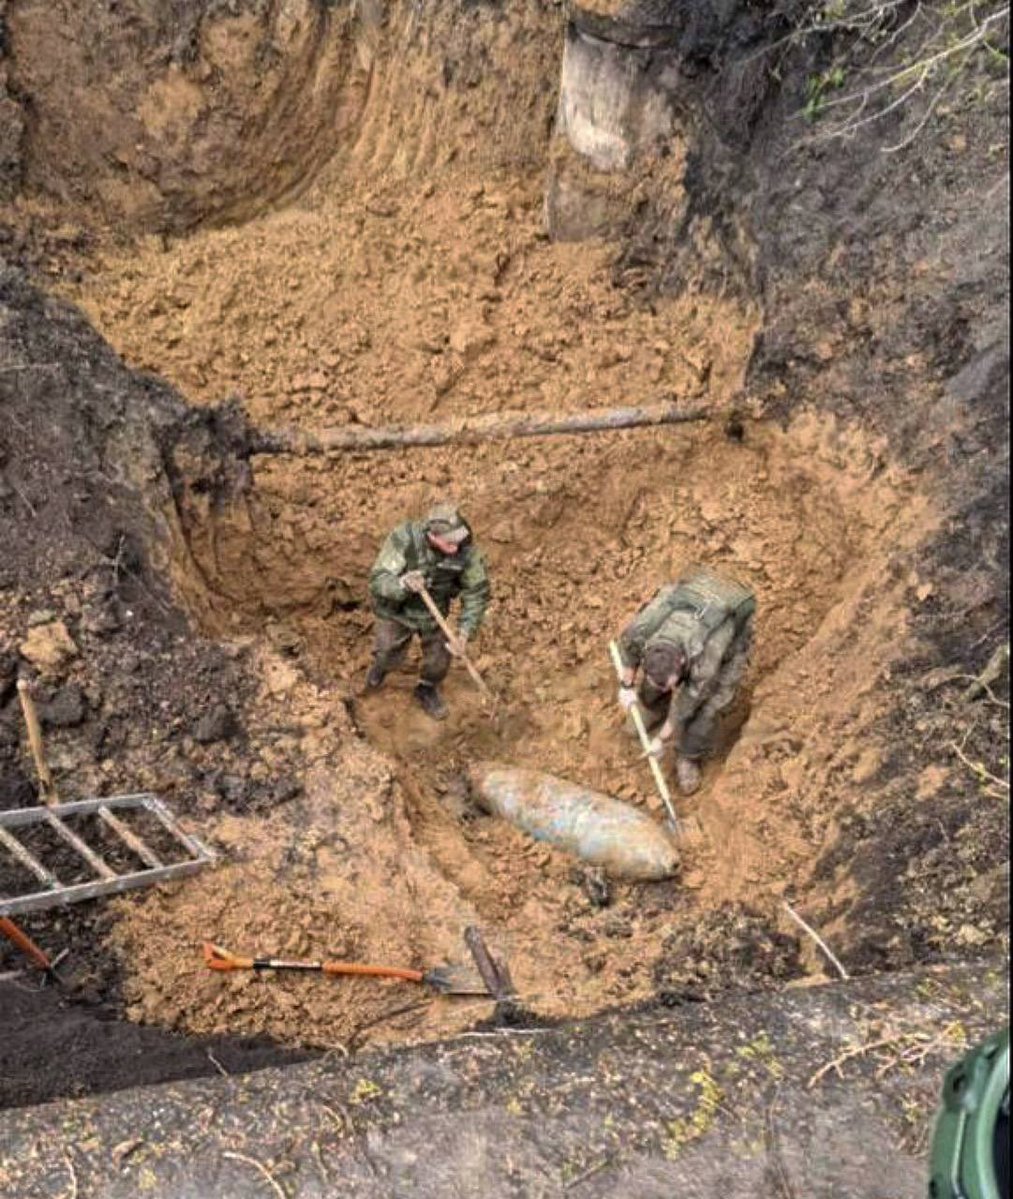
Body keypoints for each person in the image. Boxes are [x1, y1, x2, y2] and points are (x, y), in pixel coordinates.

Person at [615, 566, 756, 795]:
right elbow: (629, 649)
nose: (670, 689)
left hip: (728, 615)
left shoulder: (705, 661)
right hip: (695, 593)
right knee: (655, 683)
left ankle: (689, 755)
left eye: (671, 685)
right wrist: (626, 686)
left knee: (711, 706)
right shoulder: (644, 630)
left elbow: (686, 703)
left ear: (681, 661)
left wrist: (661, 739)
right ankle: (651, 708)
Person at [366, 502, 490, 720]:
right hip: (398, 611)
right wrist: (402, 584)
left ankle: (426, 689)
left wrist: (464, 633)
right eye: (449, 542)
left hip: (434, 613)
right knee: (386, 652)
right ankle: (378, 672)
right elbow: (379, 579)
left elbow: (476, 593)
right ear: (432, 536)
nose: (456, 547)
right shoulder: (405, 538)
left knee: (439, 660)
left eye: (458, 540)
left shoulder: (465, 550)